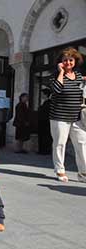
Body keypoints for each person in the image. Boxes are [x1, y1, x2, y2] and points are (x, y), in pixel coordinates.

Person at [49, 47, 86, 182]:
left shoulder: (78, 76)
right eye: (65, 60)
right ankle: (60, 171)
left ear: (75, 61)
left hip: (77, 118)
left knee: (82, 144)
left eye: (71, 60)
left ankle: (83, 173)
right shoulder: (54, 76)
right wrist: (61, 72)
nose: (68, 62)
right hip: (59, 117)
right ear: (61, 62)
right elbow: (57, 89)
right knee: (60, 144)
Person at [38, 88, 52, 155]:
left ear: (46, 94)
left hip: (45, 123)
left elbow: (44, 112)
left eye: (42, 94)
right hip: (42, 122)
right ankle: (42, 150)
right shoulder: (44, 102)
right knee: (42, 136)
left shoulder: (48, 102)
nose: (41, 95)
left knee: (45, 137)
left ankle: (45, 150)